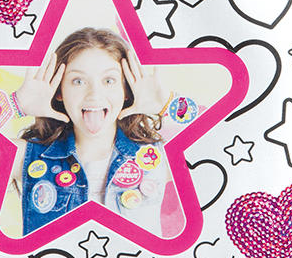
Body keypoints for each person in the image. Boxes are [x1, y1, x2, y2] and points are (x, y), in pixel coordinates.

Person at [9, 28, 186, 235]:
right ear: (59, 91)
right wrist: (15, 104)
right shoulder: (26, 156)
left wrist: (168, 105)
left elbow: (217, 145)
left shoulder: (159, 157)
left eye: (109, 80)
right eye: (78, 81)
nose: (94, 94)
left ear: (126, 90)